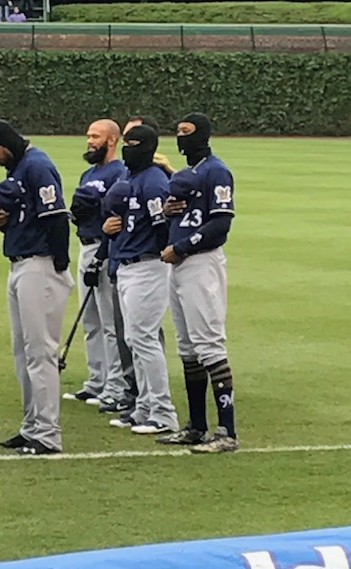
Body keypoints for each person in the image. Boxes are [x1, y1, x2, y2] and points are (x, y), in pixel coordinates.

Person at [0, 119, 73, 456]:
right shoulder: (19, 167)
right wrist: (4, 225)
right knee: (22, 351)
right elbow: (26, 216)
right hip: (21, 264)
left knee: (40, 351)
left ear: (6, 142)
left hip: (40, 265)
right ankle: (32, 425)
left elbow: (57, 217)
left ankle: (47, 434)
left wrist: (58, 264)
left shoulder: (37, 165)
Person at [157, 112, 239, 453]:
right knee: (188, 348)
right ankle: (196, 426)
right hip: (180, 266)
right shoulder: (188, 174)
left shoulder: (216, 171)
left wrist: (181, 246)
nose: (181, 137)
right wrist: (168, 212)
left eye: (187, 132)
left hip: (201, 263)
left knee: (208, 345)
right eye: (178, 131)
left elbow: (220, 225)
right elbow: (186, 214)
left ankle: (227, 432)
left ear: (203, 134)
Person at [102, 125, 179, 435]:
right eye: (126, 143)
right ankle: (144, 407)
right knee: (134, 339)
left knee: (144, 338)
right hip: (127, 264)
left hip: (148, 265)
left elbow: (163, 226)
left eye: (134, 143)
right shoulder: (130, 178)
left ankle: (163, 412)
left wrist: (157, 252)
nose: (127, 148)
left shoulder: (154, 181)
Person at [62, 119, 127, 413]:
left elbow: (117, 214)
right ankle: (96, 380)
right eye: (88, 135)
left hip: (105, 248)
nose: (89, 141)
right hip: (84, 244)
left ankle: (115, 385)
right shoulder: (88, 173)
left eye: (95, 136)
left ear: (111, 140)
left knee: (109, 321)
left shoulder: (119, 172)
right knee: (90, 319)